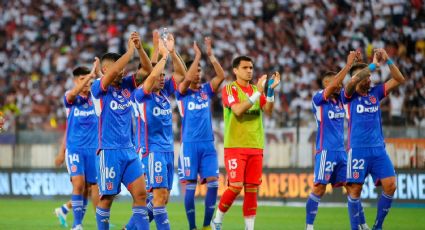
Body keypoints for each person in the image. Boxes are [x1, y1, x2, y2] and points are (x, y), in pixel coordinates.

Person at [211, 56, 280, 230]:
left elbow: (269, 111)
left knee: (251, 190)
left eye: (251, 67)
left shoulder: (257, 90)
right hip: (235, 146)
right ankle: (217, 220)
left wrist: (270, 91)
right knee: (235, 186)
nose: (249, 70)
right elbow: (238, 110)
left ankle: (249, 228)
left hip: (255, 146)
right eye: (245, 67)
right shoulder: (230, 89)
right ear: (235, 70)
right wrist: (258, 92)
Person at [91, 32, 152, 230]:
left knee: (141, 195)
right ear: (106, 69)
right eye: (119, 68)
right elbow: (112, 72)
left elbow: (148, 71)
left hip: (129, 150)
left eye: (124, 67)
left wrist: (140, 49)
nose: (123, 71)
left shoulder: (127, 85)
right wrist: (129, 51)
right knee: (107, 198)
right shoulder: (98, 89)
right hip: (108, 151)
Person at [305, 51, 369, 230]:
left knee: (353, 188)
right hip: (325, 151)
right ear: (326, 84)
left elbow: (353, 83)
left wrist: (360, 67)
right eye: (335, 82)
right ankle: (309, 227)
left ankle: (363, 224)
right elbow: (335, 84)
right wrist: (347, 65)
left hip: (342, 152)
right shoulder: (318, 98)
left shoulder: (341, 100)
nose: (339, 84)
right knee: (319, 189)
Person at [342, 49, 405, 230]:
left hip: (378, 150)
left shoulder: (375, 93)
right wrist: (373, 65)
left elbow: (399, 79)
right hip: (358, 150)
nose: (370, 78)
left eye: (370, 76)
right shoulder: (348, 96)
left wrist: (387, 60)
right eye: (367, 76)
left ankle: (377, 226)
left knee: (391, 185)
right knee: (354, 190)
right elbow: (351, 81)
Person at [133, 34, 187, 230]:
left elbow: (182, 75)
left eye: (165, 76)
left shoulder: (164, 94)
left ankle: (130, 228)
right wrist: (162, 56)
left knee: (163, 199)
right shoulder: (140, 94)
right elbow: (153, 76)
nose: (163, 78)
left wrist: (172, 52)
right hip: (151, 150)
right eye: (160, 76)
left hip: (167, 150)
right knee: (158, 196)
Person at [175, 38, 224, 230]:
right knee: (190, 187)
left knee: (213, 183)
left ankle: (205, 225)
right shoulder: (182, 92)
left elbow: (220, 76)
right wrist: (196, 56)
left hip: (208, 145)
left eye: (200, 71)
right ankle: (192, 227)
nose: (198, 74)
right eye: (195, 70)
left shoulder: (206, 90)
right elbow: (185, 80)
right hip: (189, 145)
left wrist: (210, 55)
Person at [61, 61, 100, 230]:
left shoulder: (96, 99)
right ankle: (77, 225)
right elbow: (71, 96)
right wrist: (90, 76)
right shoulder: (71, 97)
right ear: (76, 81)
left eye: (89, 82)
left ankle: (89, 221)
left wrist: (97, 75)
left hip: (93, 150)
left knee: (89, 189)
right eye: (83, 80)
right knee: (78, 184)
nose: (87, 84)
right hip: (75, 148)